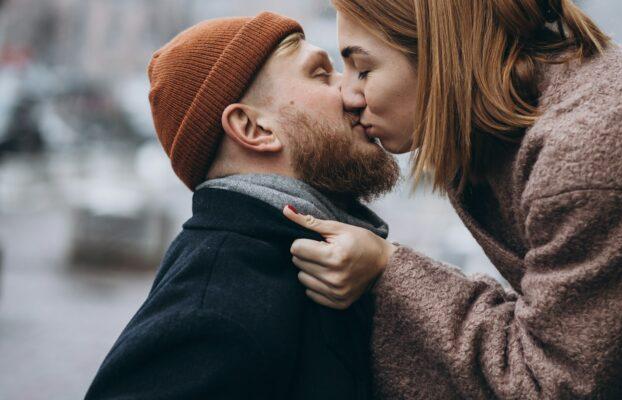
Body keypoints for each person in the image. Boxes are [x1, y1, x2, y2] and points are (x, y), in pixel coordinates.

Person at [282, 0, 622, 398]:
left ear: (438, 51)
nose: (349, 95)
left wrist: (388, 270)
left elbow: (550, 382)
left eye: (363, 65)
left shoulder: (594, 148)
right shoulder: (522, 130)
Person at [85, 12, 399, 399]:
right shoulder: (213, 310)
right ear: (254, 129)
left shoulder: (310, 258)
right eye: (321, 74)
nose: (353, 93)